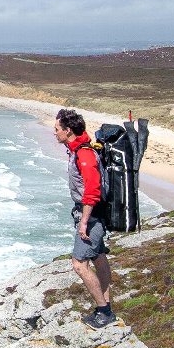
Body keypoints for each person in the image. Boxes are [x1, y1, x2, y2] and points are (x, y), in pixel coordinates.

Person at [54, 108, 117, 329]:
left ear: (68, 130)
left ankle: (104, 311)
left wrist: (84, 222)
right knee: (99, 256)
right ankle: (106, 306)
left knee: (79, 264)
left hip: (92, 217)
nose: (55, 133)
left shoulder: (85, 154)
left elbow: (92, 190)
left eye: (57, 129)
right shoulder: (77, 151)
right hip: (91, 214)